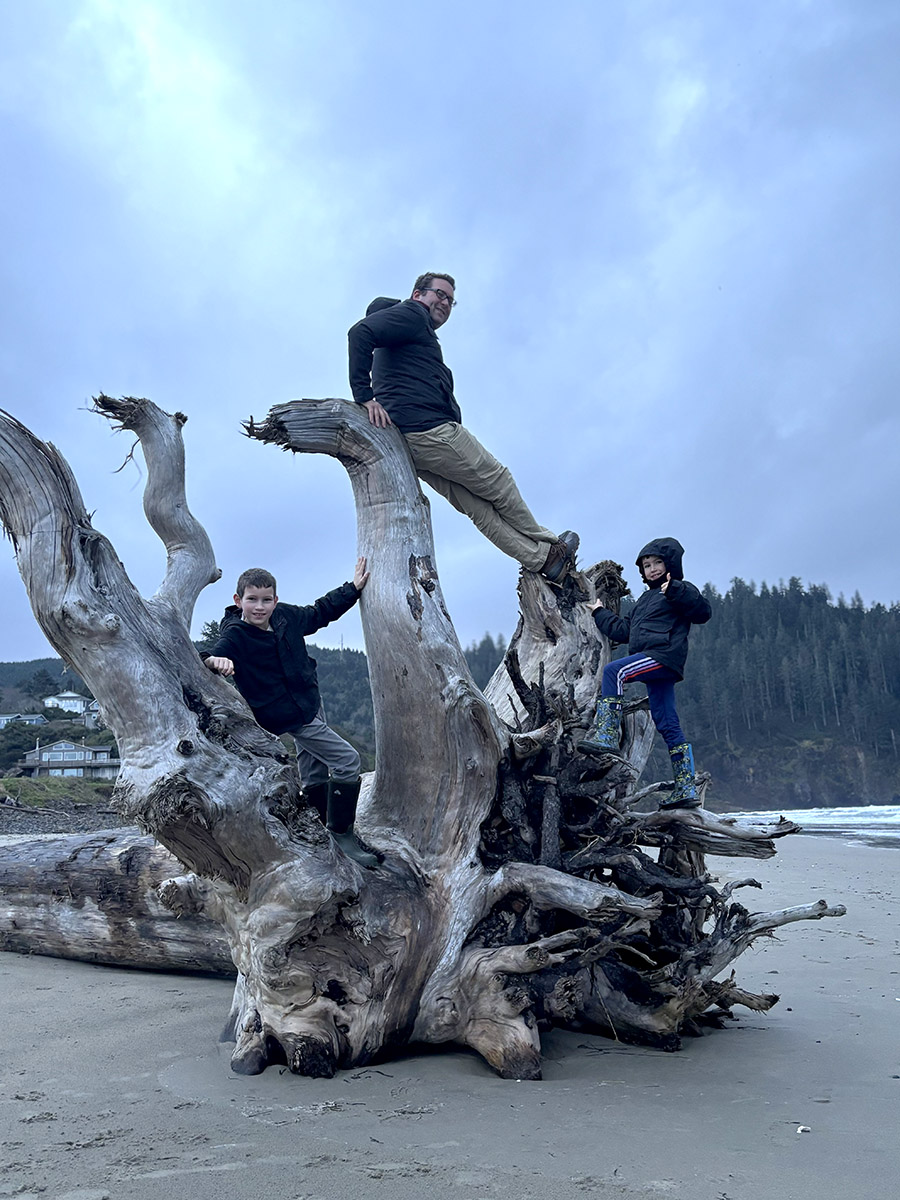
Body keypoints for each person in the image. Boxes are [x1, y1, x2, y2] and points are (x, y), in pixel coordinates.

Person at [348, 272, 579, 581]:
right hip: (431, 431)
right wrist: (364, 397)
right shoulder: (413, 314)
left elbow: (368, 333)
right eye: (439, 294)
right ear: (417, 294)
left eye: (451, 300)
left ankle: (542, 561)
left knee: (478, 508)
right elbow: (359, 332)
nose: (445, 303)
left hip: (408, 444)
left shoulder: (394, 340)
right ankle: (552, 547)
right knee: (499, 482)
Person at [203, 559, 377, 867]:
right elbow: (216, 652)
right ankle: (342, 835)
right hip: (287, 715)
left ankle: (321, 828)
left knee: (314, 772)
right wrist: (213, 661)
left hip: (310, 700)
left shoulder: (284, 617)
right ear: (238, 600)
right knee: (348, 761)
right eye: (252, 599)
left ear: (275, 600)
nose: (259, 607)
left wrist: (352, 589)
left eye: (266, 600)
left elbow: (319, 612)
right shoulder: (236, 634)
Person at [578, 537, 712, 809]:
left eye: (657, 563)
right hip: (655, 664)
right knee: (666, 722)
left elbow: (703, 612)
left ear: (670, 563)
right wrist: (599, 612)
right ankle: (686, 788)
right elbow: (623, 631)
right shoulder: (644, 600)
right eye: (647, 565)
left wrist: (674, 589)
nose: (652, 569)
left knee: (614, 671)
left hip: (662, 657)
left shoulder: (680, 589)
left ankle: (607, 735)